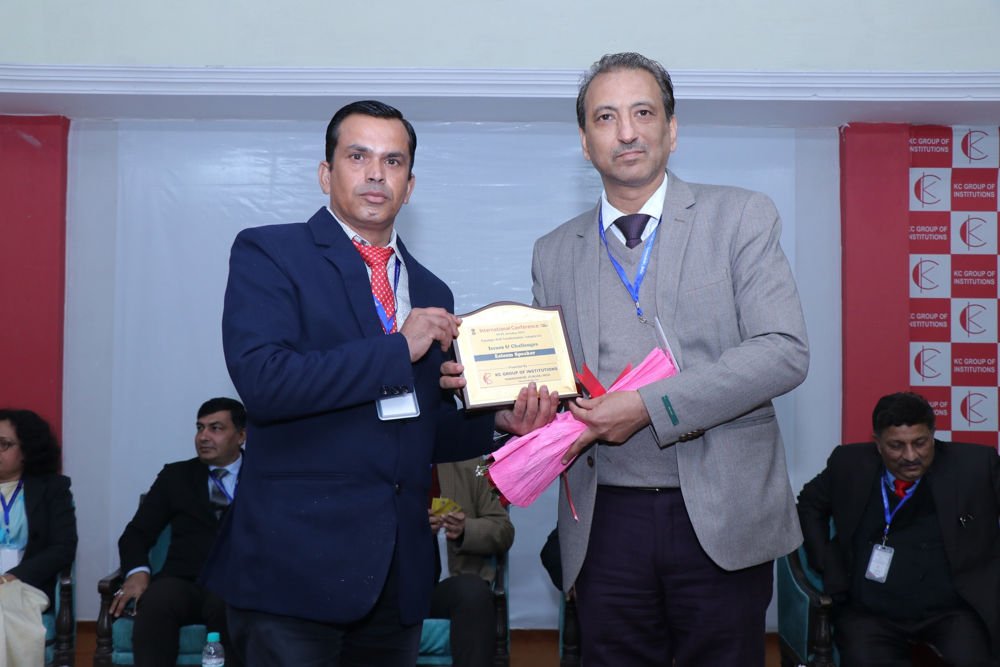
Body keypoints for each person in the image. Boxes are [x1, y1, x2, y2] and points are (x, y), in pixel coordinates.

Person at [201, 99, 554, 666]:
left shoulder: (431, 288)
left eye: (393, 162)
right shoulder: (271, 251)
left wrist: (495, 422)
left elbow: (415, 428)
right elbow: (265, 383)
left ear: (409, 186)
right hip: (293, 570)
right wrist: (396, 348)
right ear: (326, 173)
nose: (375, 173)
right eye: (357, 156)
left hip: (397, 574)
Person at [528, 52, 809, 666]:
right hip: (604, 518)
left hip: (721, 510)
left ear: (672, 130)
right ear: (585, 143)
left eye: (643, 113)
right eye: (605, 117)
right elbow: (555, 381)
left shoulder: (740, 216)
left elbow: (783, 352)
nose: (626, 132)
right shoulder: (553, 252)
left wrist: (649, 406)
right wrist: (509, 407)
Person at [798, 392, 1000, 666]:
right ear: (878, 443)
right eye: (896, 446)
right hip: (870, 613)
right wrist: (824, 561)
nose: (910, 456)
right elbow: (809, 504)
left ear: (933, 436)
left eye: (920, 443)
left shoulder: (974, 465)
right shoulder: (849, 463)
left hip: (951, 610)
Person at [109, 397, 246, 667]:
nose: (203, 437)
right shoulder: (176, 476)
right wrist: (137, 572)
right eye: (200, 428)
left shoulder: (263, 476)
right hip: (184, 581)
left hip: (238, 581)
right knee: (157, 601)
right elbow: (136, 534)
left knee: (229, 606)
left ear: (241, 435)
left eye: (216, 428)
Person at [0, 408, 78, 665]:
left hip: (27, 584)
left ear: (26, 450)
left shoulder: (52, 489)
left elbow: (63, 547)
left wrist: (11, 577)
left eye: (3, 444)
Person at [427, 458, 514, 667]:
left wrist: (466, 529)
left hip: (450, 588)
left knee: (472, 591)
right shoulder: (385, 463)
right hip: (398, 589)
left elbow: (503, 529)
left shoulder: (476, 465)